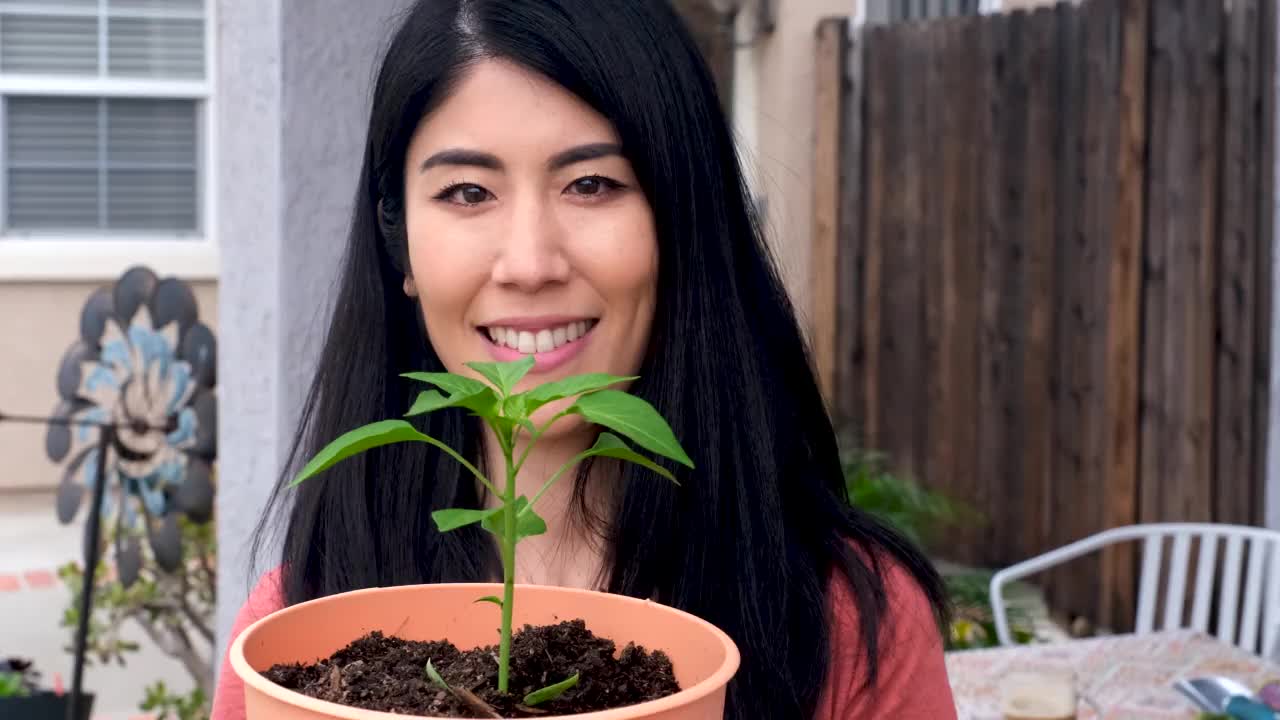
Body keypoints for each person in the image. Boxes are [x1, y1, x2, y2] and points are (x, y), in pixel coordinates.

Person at [211, 1, 956, 718]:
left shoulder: (846, 623)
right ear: (399, 242)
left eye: (591, 184)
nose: (530, 263)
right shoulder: (296, 644)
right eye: (468, 191)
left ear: (680, 225)